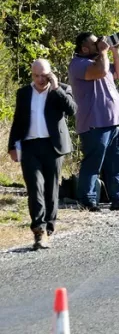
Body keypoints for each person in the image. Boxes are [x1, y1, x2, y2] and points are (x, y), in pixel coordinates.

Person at [69, 32, 119, 211]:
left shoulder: (101, 60)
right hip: (94, 123)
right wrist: (103, 52)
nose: (100, 44)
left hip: (113, 122)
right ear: (84, 48)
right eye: (95, 44)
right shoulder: (78, 64)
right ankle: (87, 198)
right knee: (94, 162)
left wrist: (115, 51)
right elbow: (100, 72)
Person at [8, 59, 75, 249]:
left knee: (51, 189)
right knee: (34, 187)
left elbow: (72, 110)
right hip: (29, 145)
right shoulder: (24, 93)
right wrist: (12, 145)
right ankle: (39, 230)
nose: (40, 79)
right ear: (32, 74)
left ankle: (50, 226)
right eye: (36, 75)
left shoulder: (61, 89)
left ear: (50, 73)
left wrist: (56, 88)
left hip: (52, 146)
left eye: (43, 75)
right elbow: (18, 120)